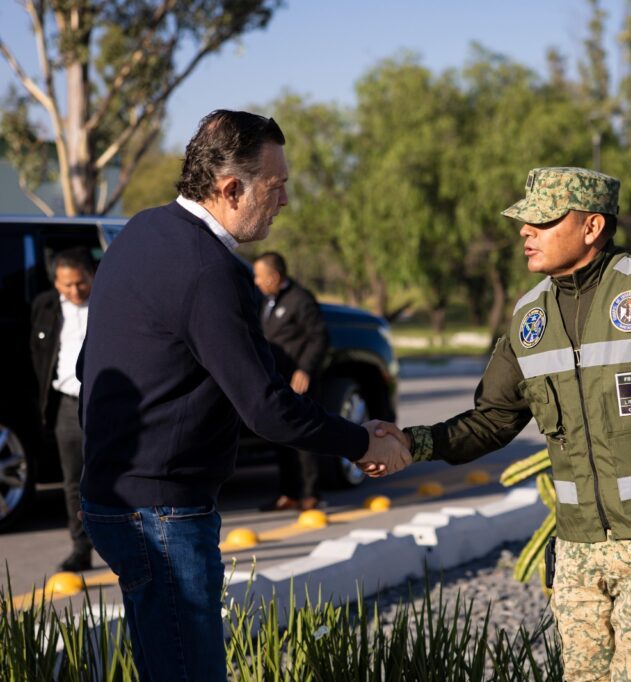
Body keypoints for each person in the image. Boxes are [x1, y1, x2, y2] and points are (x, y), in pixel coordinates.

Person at [376, 167, 631, 680]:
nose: (525, 232)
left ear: (592, 227)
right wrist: (413, 443)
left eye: (543, 221)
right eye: (526, 222)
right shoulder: (528, 318)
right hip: (578, 553)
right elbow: (493, 420)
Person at [77, 110, 410, 681]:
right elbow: (266, 409)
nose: (282, 202)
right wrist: (361, 441)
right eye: (276, 186)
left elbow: (91, 364)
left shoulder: (140, 231)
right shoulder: (211, 269)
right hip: (162, 512)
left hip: (112, 499)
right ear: (231, 188)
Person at [29, 247, 96, 572]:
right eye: (66, 285)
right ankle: (80, 548)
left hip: (105, 404)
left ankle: (128, 548)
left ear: (92, 276)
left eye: (80, 283)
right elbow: (37, 355)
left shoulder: (109, 303)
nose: (74, 290)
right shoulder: (46, 308)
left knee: (114, 478)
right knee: (73, 481)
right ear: (56, 283)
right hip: (67, 405)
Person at [253, 252, 328, 511]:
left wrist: (304, 369)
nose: (256, 282)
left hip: (299, 382)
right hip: (277, 381)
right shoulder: (267, 302)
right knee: (281, 437)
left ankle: (310, 494)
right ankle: (289, 494)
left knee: (305, 438)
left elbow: (319, 338)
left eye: (259, 277)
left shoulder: (300, 299)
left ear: (274, 277)